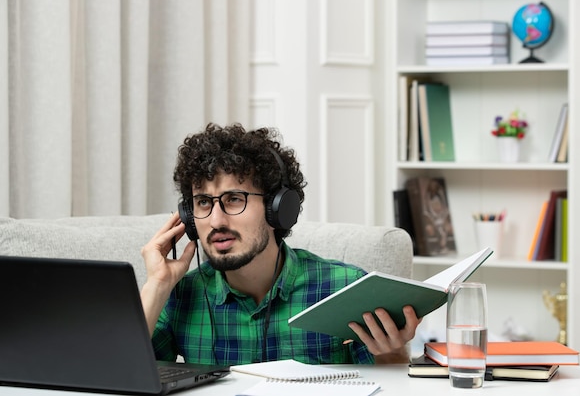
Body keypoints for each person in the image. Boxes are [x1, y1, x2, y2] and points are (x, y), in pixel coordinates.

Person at [140, 123, 420, 366]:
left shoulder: (345, 289)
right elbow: (119, 374)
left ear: (279, 209)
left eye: (234, 199)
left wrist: (392, 354)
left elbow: (388, 385)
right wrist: (157, 285)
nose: (215, 221)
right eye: (203, 202)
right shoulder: (179, 297)